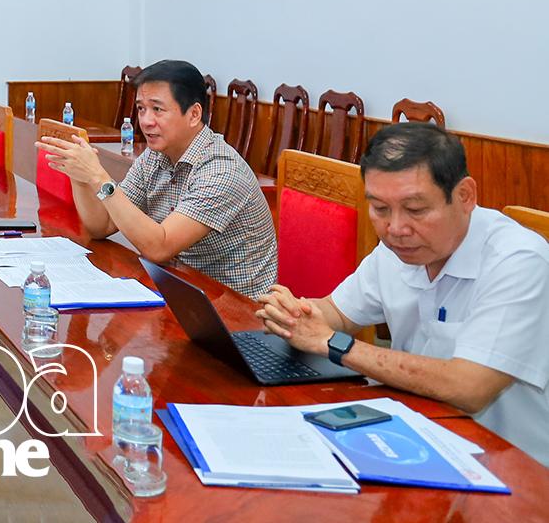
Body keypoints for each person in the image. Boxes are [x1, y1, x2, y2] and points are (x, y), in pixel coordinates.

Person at [259, 123, 549, 464]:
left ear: (465, 196)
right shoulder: (398, 249)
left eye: (415, 210)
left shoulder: (518, 260)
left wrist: (333, 343)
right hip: (416, 435)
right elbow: (336, 313)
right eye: (380, 209)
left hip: (511, 464)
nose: (395, 229)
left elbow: (469, 387)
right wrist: (295, 315)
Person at [38, 58, 277, 298]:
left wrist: (98, 176)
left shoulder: (221, 170)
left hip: (234, 308)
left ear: (194, 114)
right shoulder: (155, 156)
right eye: (141, 108)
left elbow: (159, 248)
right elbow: (102, 226)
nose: (145, 121)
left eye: (157, 109)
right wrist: (81, 177)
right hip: (179, 287)